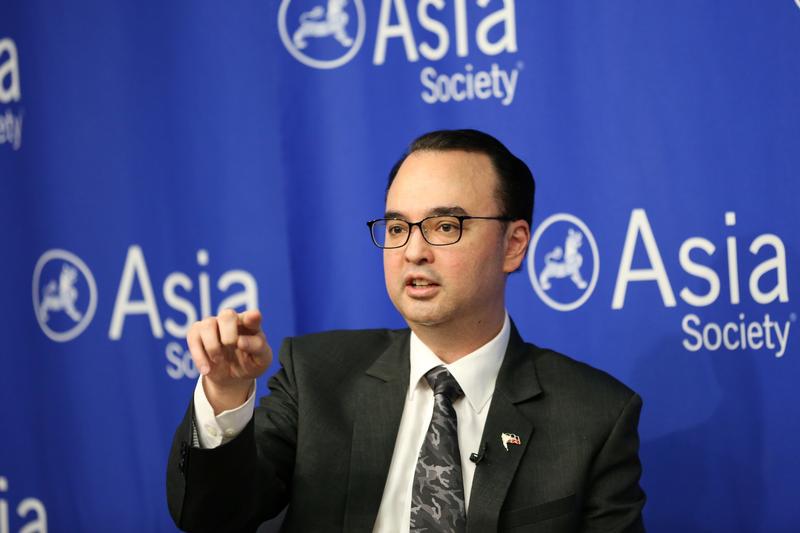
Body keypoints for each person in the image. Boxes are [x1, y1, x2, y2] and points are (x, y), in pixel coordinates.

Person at [166, 129, 646, 532]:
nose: (413, 251)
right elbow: (213, 517)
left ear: (513, 245)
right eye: (397, 228)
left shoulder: (592, 417)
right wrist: (227, 394)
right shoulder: (316, 377)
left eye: (444, 226)